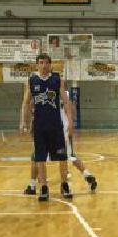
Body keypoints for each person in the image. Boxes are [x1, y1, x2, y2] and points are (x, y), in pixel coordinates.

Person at [19, 54, 75, 201]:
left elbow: (67, 103)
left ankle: (64, 185)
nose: (43, 65)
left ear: (50, 65)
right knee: (40, 158)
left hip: (56, 125)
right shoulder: (32, 80)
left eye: (46, 63)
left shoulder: (57, 80)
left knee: (62, 157)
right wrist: (23, 122)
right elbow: (25, 103)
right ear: (37, 65)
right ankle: (43, 187)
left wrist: (70, 122)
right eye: (41, 63)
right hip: (39, 125)